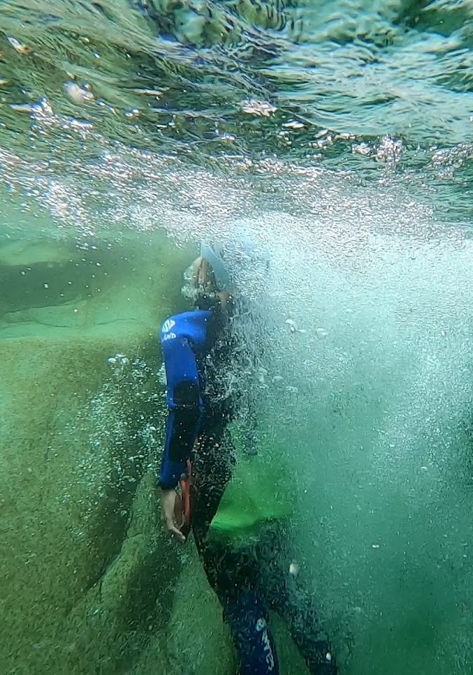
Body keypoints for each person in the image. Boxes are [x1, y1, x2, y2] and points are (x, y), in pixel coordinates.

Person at [157, 242, 337, 675]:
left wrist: (169, 479)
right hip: (274, 503)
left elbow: (185, 398)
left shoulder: (181, 328)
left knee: (248, 627)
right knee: (307, 627)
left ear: (208, 274)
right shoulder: (272, 334)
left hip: (222, 511)